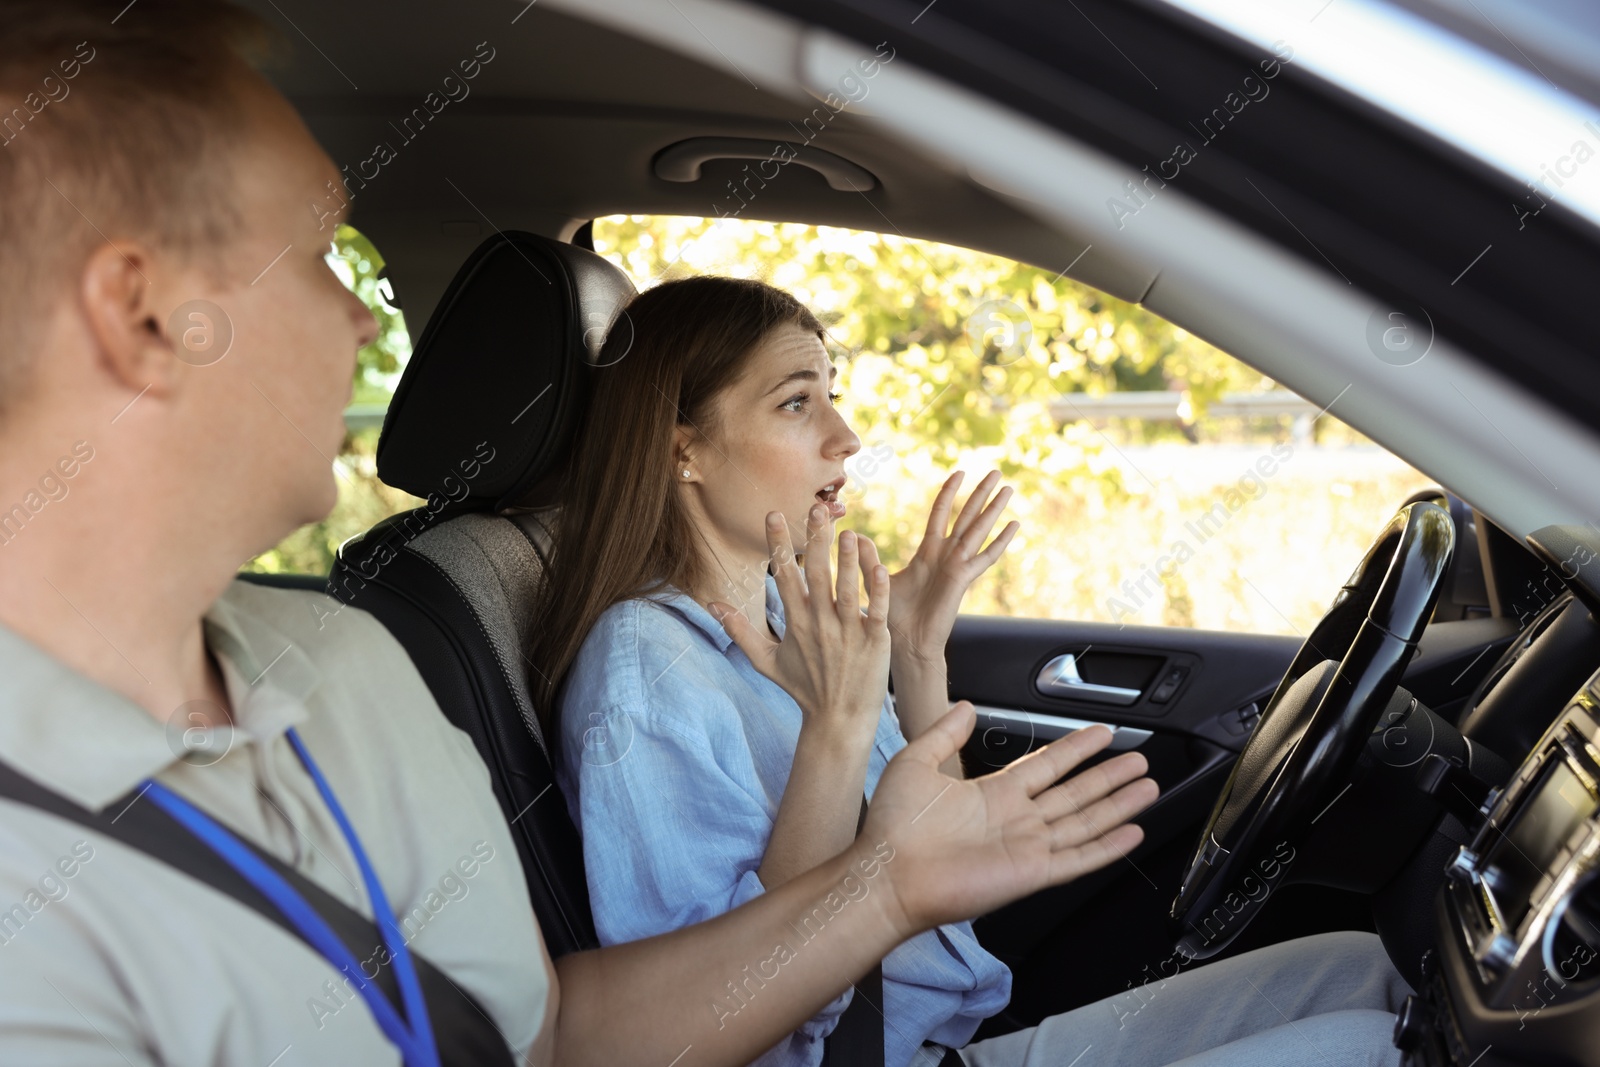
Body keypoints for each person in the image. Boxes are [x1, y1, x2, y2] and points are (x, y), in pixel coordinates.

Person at [0, 3, 1158, 1065]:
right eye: (316, 255)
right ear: (145, 313)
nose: (360, 320)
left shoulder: (349, 666)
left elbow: (554, 1037)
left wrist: (887, 883)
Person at [538, 277, 1413, 1067]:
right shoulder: (640, 672)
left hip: (947, 1042)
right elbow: (731, 1025)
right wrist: (835, 731)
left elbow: (930, 851)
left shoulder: (790, 617)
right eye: (797, 404)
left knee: (1365, 972)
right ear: (682, 448)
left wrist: (917, 653)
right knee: (1374, 1051)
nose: (846, 439)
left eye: (832, 399)